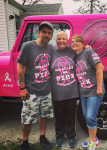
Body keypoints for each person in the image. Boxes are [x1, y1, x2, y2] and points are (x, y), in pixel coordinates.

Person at [17, 21, 54, 150]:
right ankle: (25, 141)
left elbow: (66, 51)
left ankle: (42, 137)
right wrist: (22, 88)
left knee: (43, 115)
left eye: (49, 33)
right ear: (38, 33)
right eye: (44, 31)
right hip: (31, 90)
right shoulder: (27, 46)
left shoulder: (51, 48)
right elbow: (20, 65)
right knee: (27, 118)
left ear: (51, 35)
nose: (46, 35)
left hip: (46, 90)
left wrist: (85, 48)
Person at [71, 35, 105, 150]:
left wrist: (99, 87)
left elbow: (99, 68)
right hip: (83, 92)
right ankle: (94, 138)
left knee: (90, 116)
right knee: (86, 116)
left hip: (94, 91)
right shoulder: (75, 57)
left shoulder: (88, 52)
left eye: (77, 41)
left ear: (82, 43)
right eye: (72, 42)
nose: (74, 43)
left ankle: (92, 142)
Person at [50, 31, 79, 148]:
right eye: (59, 39)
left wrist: (88, 48)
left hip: (71, 91)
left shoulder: (73, 51)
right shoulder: (51, 52)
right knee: (59, 115)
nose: (61, 41)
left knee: (70, 116)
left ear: (67, 41)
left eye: (64, 39)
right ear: (55, 40)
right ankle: (60, 136)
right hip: (57, 92)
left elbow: (84, 53)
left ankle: (72, 137)